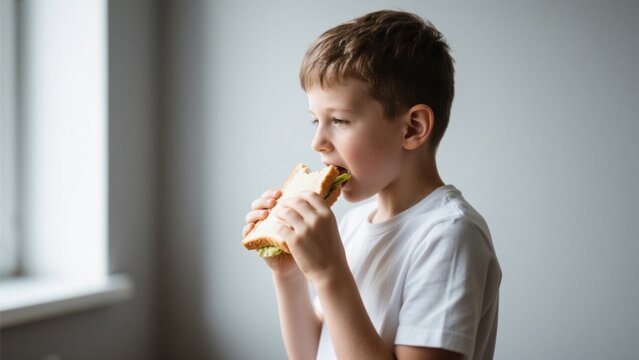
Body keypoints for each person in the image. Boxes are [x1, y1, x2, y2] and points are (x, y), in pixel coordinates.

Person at [243, 9, 501, 360]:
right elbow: (311, 353)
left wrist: (330, 273)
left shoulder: (449, 236)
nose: (317, 141)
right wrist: (289, 274)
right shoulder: (351, 226)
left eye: (338, 120)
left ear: (412, 128)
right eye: (315, 121)